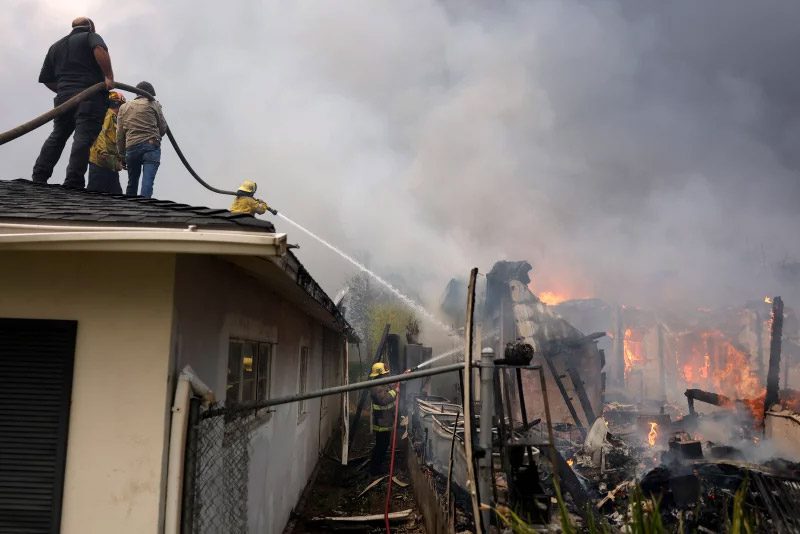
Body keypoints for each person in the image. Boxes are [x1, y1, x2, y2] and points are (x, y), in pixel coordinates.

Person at [32, 17, 115, 189]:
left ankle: (39, 175)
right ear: (90, 27)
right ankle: (73, 180)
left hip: (64, 100)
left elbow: (46, 79)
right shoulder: (90, 37)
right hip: (89, 96)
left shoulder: (55, 46)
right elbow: (99, 49)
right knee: (83, 137)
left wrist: (64, 90)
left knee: (58, 136)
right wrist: (109, 77)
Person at [117, 81, 167, 197]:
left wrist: (121, 155)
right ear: (149, 93)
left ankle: (129, 208)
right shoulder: (154, 104)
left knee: (132, 182)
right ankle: (145, 208)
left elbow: (120, 134)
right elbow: (163, 129)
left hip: (131, 148)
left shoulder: (124, 107)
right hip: (151, 146)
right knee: (147, 183)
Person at [87, 91, 125, 193]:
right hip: (100, 162)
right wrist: (103, 152)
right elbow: (101, 133)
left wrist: (120, 159)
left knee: (116, 195)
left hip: (109, 164)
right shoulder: (108, 115)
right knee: (95, 195)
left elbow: (114, 142)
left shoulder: (115, 119)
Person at [368, 362, 397, 475]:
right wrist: (395, 392)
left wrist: (394, 384)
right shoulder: (376, 386)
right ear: (380, 374)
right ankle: (375, 470)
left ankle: (377, 466)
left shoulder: (381, 383)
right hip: (381, 423)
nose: (387, 375)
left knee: (383, 445)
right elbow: (383, 400)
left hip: (385, 420)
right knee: (381, 446)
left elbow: (388, 387)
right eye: (385, 373)